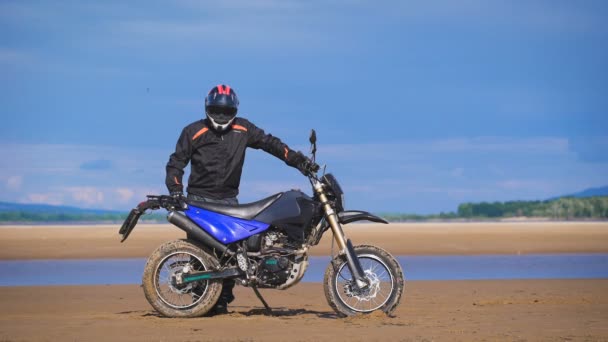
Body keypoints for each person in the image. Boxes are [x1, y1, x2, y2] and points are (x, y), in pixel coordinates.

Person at [165, 84, 318, 315]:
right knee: (201, 254)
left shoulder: (243, 128)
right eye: (217, 110)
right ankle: (199, 302)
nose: (221, 115)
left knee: (231, 257)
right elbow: (176, 163)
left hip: (228, 201)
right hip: (199, 200)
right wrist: (175, 189)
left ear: (234, 110)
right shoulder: (192, 131)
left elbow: (271, 144)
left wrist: (299, 161)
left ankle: (221, 302)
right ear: (208, 108)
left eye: (226, 111)